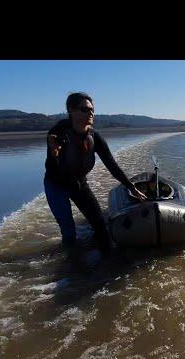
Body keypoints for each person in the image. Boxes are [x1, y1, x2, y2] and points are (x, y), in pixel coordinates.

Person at [44, 92, 146, 252]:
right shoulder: (59, 133)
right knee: (69, 231)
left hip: (79, 184)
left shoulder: (94, 137)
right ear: (71, 110)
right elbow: (52, 167)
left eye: (92, 110)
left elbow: (111, 164)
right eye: (85, 109)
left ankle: (106, 264)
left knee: (100, 225)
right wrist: (53, 154)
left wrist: (130, 186)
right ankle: (71, 269)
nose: (90, 113)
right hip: (56, 185)